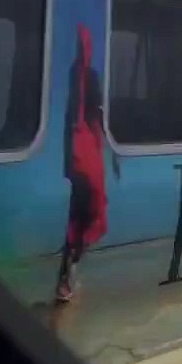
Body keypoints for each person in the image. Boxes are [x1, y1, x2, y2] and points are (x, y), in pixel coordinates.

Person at [55, 24, 117, 303]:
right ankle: (70, 275)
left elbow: (74, 115)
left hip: (75, 157)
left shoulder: (74, 74)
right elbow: (97, 117)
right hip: (88, 155)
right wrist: (111, 152)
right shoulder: (88, 75)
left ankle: (65, 278)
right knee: (94, 215)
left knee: (77, 217)